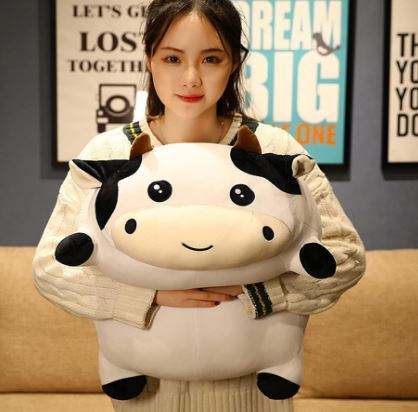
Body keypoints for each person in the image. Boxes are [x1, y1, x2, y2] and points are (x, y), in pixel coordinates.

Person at [32, 1, 366, 411]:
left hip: (254, 392)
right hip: (148, 393)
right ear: (149, 58)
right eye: (172, 58)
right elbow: (51, 267)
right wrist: (150, 296)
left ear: (235, 62)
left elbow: (345, 256)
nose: (191, 78)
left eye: (211, 59)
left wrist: (256, 291)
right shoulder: (109, 154)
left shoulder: (275, 150)